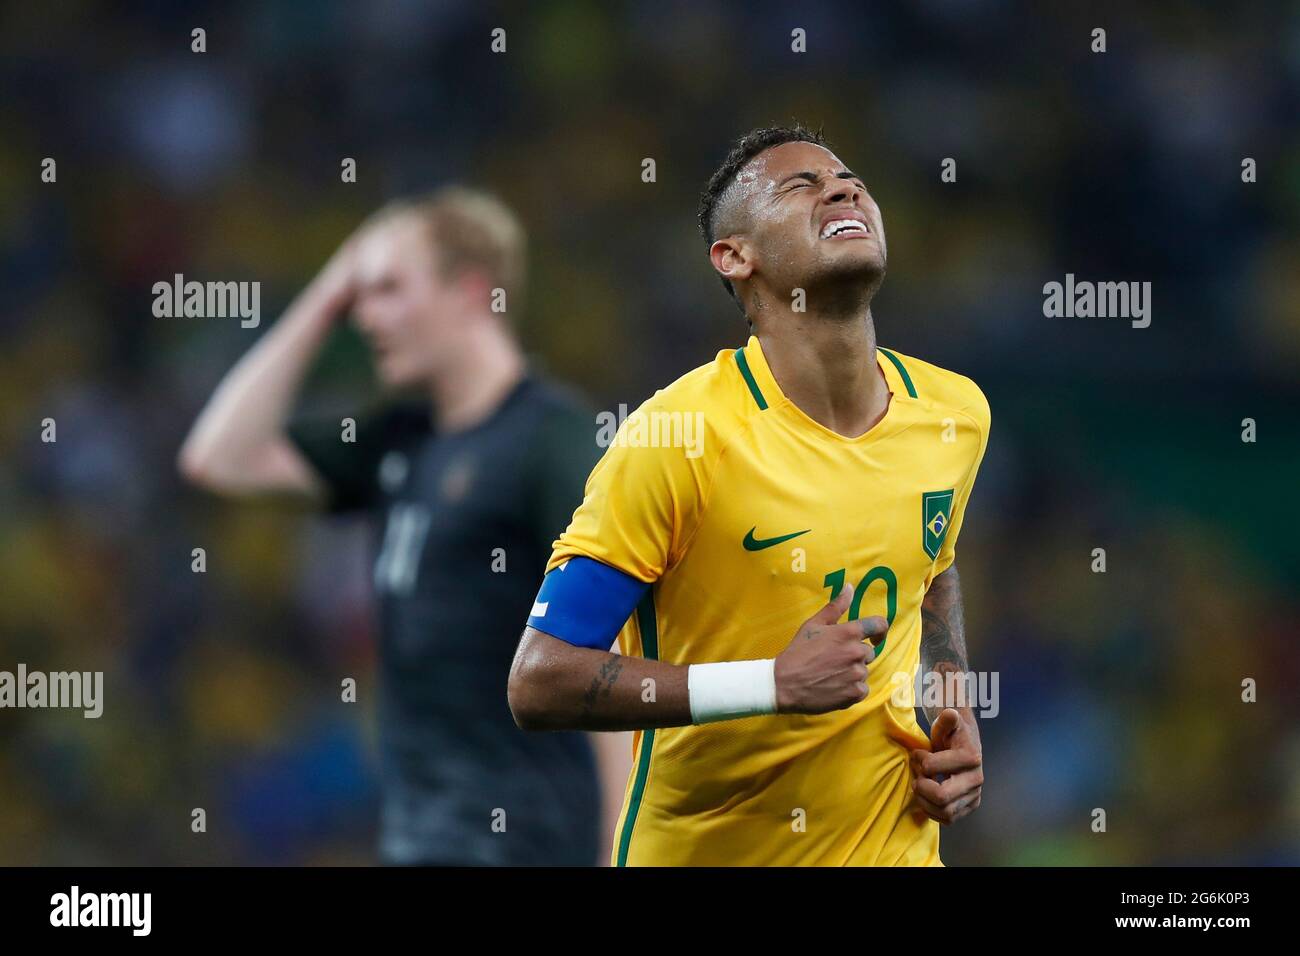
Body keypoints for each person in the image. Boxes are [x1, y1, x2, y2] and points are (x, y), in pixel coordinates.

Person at [508, 126, 990, 866]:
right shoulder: (678, 436)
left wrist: (951, 703)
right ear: (736, 257)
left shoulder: (955, 414)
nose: (842, 187)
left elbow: (934, 563)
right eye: (801, 185)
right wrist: (769, 683)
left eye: (851, 178)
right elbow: (539, 681)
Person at [180, 187, 627, 865]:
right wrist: (327, 293)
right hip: (420, 841)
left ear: (469, 291)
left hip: (527, 843)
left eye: (387, 288)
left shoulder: (551, 444)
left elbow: (612, 661)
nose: (366, 316)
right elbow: (220, 457)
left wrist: (623, 854)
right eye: (360, 296)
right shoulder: (397, 443)